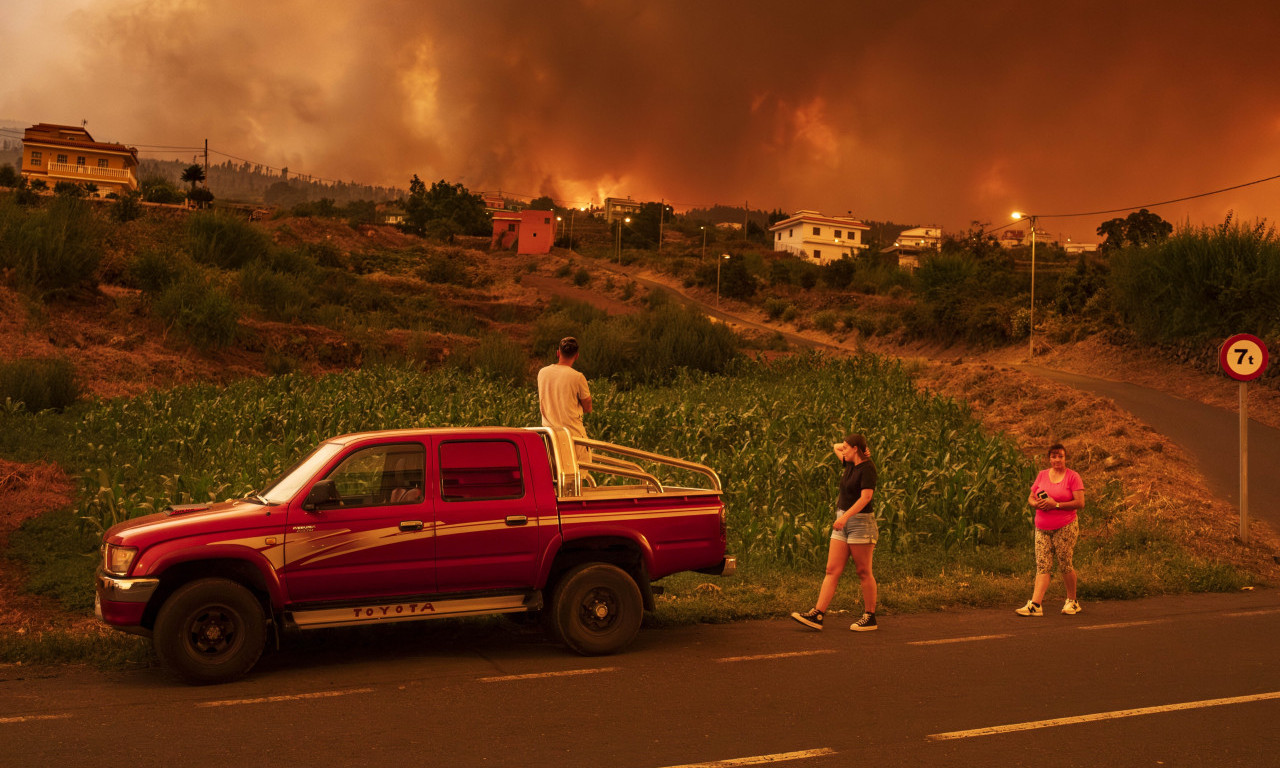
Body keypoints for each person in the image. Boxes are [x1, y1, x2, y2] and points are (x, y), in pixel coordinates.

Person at [790, 433, 880, 632]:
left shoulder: (867, 468)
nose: (843, 450)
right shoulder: (849, 463)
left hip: (860, 523)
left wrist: (845, 517)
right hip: (843, 521)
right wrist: (858, 447)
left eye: (848, 448)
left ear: (855, 449)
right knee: (832, 569)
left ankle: (870, 616)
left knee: (863, 571)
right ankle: (818, 614)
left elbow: (865, 498)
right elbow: (835, 446)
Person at [1016, 443, 1085, 617]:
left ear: (1065, 458)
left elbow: (1080, 503)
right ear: (1049, 458)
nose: (1057, 460)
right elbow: (1031, 497)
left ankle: (1072, 601)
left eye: (1060, 456)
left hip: (1065, 526)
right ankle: (1035, 605)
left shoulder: (1073, 477)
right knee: (1043, 565)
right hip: (1042, 527)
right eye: (1053, 456)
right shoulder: (1042, 475)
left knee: (1064, 563)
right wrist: (1036, 503)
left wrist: (1057, 504)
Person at [537, 336, 593, 462]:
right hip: (573, 437)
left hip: (550, 438)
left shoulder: (542, 373)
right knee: (579, 477)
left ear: (558, 353)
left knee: (554, 478)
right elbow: (588, 407)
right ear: (577, 355)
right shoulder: (578, 377)